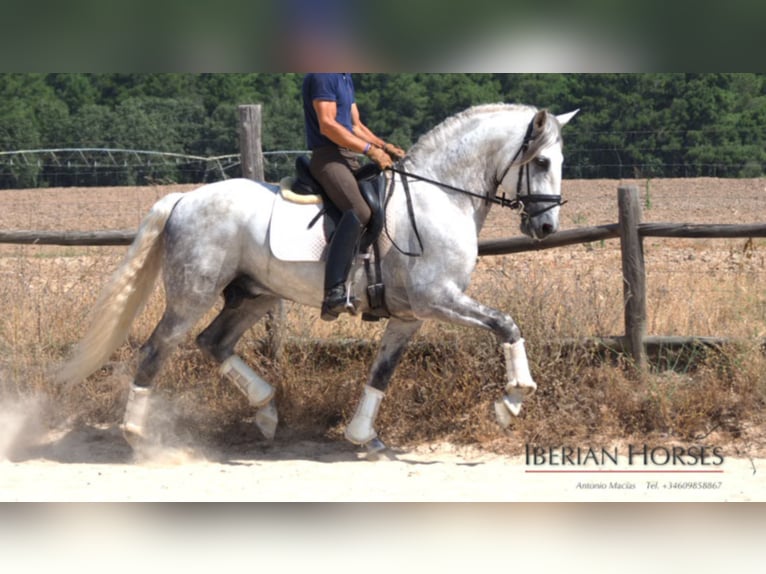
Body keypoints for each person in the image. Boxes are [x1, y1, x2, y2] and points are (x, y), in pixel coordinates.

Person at [302, 73, 405, 321]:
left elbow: (355, 126)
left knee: (386, 204)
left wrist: (383, 146)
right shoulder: (324, 73)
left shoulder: (344, 76)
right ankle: (334, 291)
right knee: (359, 211)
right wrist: (370, 151)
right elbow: (327, 124)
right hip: (329, 158)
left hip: (349, 157)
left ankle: (374, 285)